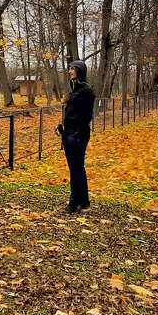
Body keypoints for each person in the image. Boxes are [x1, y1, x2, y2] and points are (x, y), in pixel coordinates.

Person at [57, 60, 95, 214]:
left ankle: (73, 204)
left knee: (76, 169)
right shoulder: (75, 89)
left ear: (79, 71)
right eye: (69, 69)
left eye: (72, 69)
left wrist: (77, 133)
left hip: (78, 136)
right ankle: (84, 201)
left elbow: (87, 115)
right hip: (69, 134)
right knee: (77, 168)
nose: (70, 71)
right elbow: (72, 113)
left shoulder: (86, 91)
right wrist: (62, 128)